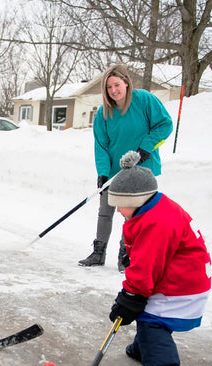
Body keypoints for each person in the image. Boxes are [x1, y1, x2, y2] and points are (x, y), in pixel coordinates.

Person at [106, 151, 211, 366]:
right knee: (149, 313)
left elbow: (146, 267)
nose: (119, 211)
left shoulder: (156, 222)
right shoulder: (153, 209)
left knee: (152, 320)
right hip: (179, 276)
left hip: (181, 285)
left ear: (137, 200)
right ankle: (144, 349)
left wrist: (130, 296)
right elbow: (145, 254)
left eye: (121, 205)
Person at [80, 64, 173, 271]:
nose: (113, 90)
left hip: (141, 168)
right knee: (105, 211)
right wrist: (103, 172)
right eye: (109, 87)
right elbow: (101, 145)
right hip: (114, 171)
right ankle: (99, 252)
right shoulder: (104, 113)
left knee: (131, 214)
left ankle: (125, 255)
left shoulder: (144, 100)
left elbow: (165, 124)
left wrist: (147, 146)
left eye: (117, 84)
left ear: (126, 82)